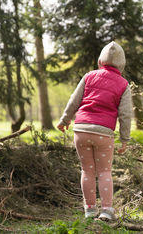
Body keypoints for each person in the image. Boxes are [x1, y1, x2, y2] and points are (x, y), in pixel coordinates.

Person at [57, 41, 133, 221]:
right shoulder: (123, 84)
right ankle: (106, 210)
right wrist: (125, 138)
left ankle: (90, 210)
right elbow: (125, 114)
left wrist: (64, 120)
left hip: (81, 130)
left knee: (87, 171)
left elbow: (74, 100)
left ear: (100, 61)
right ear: (121, 66)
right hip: (103, 133)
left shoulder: (89, 76)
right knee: (104, 172)